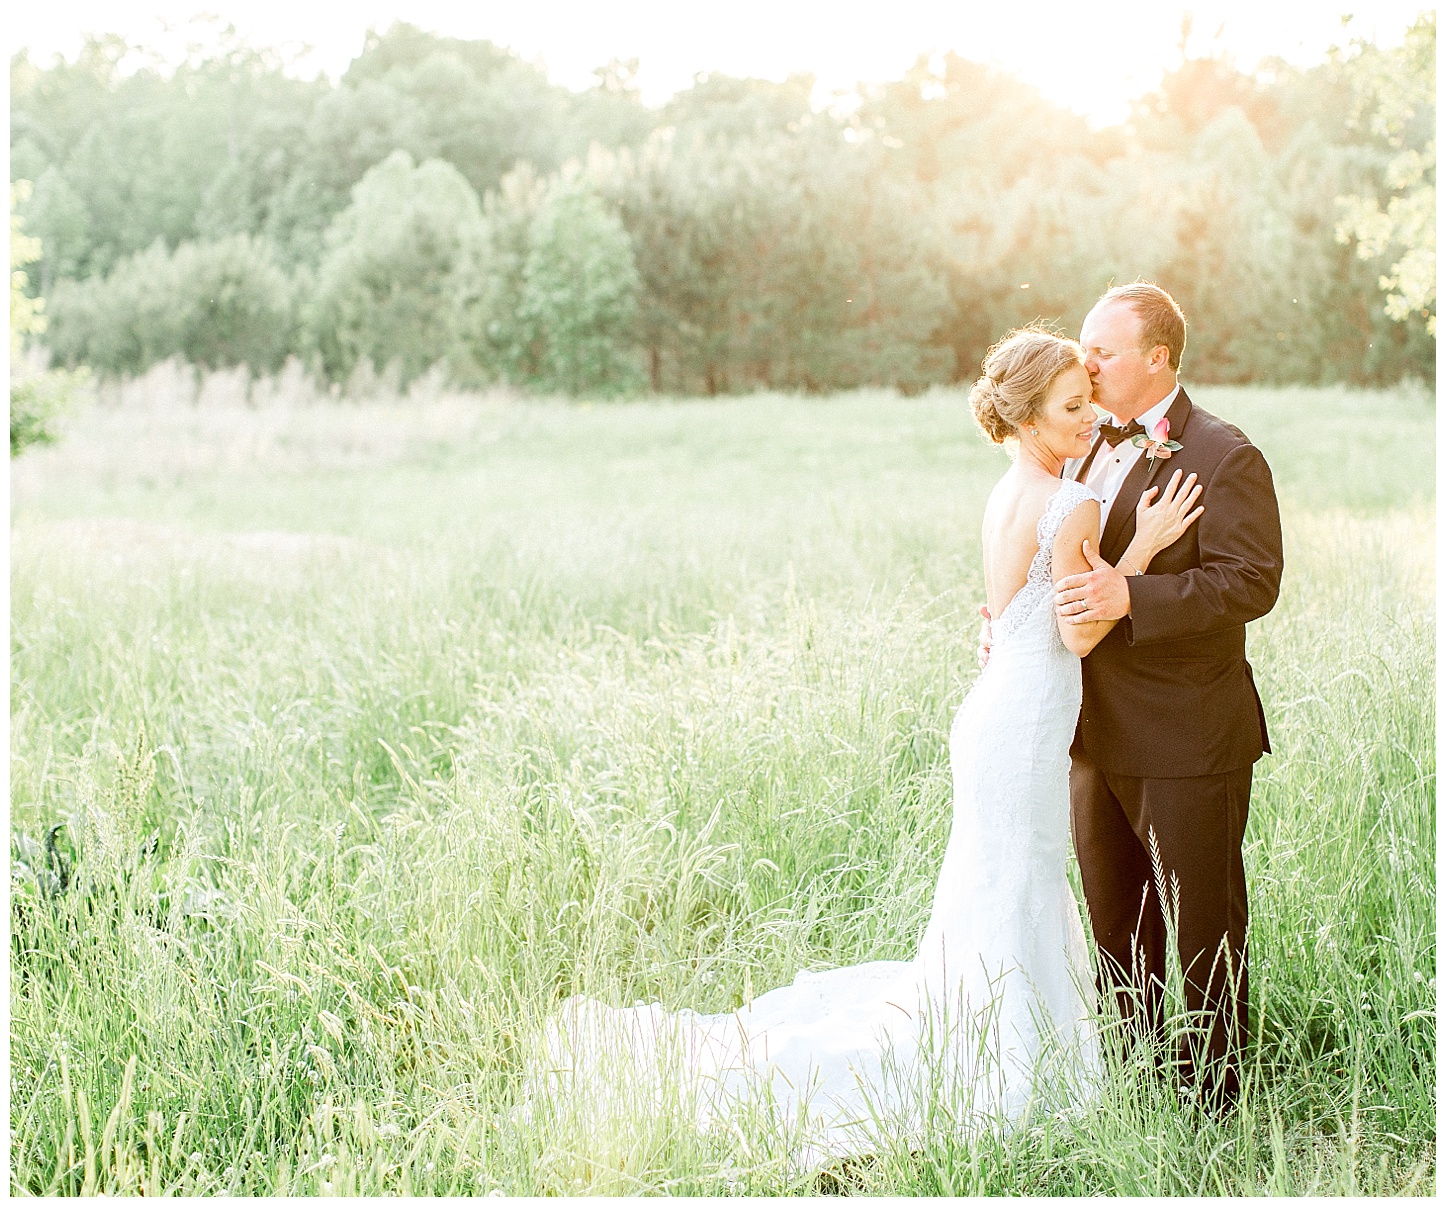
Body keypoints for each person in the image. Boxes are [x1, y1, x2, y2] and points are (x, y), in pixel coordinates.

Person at [533, 328, 1204, 1167]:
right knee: (1017, 879)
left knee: (1004, 880)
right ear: (1028, 415)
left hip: (995, 714)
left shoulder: (1012, 489)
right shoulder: (1070, 505)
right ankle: (1007, 1060)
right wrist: (1141, 545)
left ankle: (1005, 1034)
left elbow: (1008, 617)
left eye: (1087, 403)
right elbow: (1079, 626)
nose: (1088, 419)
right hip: (1027, 718)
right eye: (1070, 408)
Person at [1052, 282, 1284, 1112]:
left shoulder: (1227, 455)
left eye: (1103, 351)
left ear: (1159, 358)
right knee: (1116, 923)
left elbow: (1251, 581)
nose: (1085, 363)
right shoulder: (1081, 441)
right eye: (1083, 346)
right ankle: (1141, 1083)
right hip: (1094, 732)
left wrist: (1132, 599)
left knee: (1203, 929)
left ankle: (1220, 1102)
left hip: (1189, 736)